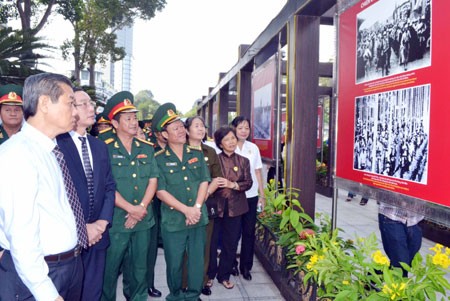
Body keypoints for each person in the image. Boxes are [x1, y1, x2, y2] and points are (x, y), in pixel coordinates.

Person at [0, 73, 85, 301]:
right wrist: (45, 292)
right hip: (40, 276)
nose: (75, 112)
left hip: (70, 266)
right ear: (45, 103)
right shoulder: (18, 154)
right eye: (70, 103)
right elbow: (21, 234)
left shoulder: (52, 150)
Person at [56, 88, 116, 301]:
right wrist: (83, 227)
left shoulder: (99, 146)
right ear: (70, 108)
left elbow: (109, 186)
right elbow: (60, 192)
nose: (92, 109)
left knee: (92, 292)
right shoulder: (56, 145)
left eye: (92, 104)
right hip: (69, 237)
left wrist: (102, 222)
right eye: (84, 104)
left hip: (99, 234)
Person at [101, 91, 159, 301]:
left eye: (135, 118)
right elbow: (105, 186)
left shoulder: (146, 148)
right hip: (116, 221)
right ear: (115, 123)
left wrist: (141, 207)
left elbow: (153, 179)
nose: (134, 122)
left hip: (143, 220)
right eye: (128, 118)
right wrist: (130, 209)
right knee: (109, 272)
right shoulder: (103, 149)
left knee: (139, 271)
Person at [153, 103, 210, 301]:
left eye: (181, 126)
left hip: (197, 218)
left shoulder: (196, 154)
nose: (180, 130)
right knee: (174, 262)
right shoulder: (158, 159)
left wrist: (195, 208)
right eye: (174, 128)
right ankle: (175, 296)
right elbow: (160, 191)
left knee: (196, 261)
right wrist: (186, 210)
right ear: (165, 135)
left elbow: (204, 181)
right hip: (174, 220)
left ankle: (194, 296)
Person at [207, 126, 252, 290]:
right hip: (216, 207)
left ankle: (223, 275)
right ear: (220, 143)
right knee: (211, 243)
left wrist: (232, 184)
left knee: (231, 243)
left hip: (236, 207)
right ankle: (209, 275)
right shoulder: (214, 159)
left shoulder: (243, 161)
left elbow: (248, 183)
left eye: (233, 138)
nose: (231, 142)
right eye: (226, 139)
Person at [183, 116, 222, 296]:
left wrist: (203, 197)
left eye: (203, 126)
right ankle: (184, 283)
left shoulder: (210, 152)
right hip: (182, 207)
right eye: (196, 126)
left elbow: (217, 178)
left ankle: (202, 282)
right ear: (187, 130)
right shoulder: (179, 150)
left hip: (205, 205)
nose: (201, 129)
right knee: (185, 247)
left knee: (204, 245)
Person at [230, 116, 265, 280]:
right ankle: (231, 264)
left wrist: (262, 196)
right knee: (233, 232)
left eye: (247, 128)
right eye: (240, 128)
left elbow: (258, 171)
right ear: (234, 129)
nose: (244, 131)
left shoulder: (253, 148)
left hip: (251, 196)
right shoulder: (228, 146)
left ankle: (246, 267)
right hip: (233, 196)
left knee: (249, 232)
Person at [378, 202, 423, 277]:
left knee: (410, 260)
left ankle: (373, 275)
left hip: (415, 220)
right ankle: (400, 287)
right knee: (401, 263)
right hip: (392, 217)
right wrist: (404, 202)